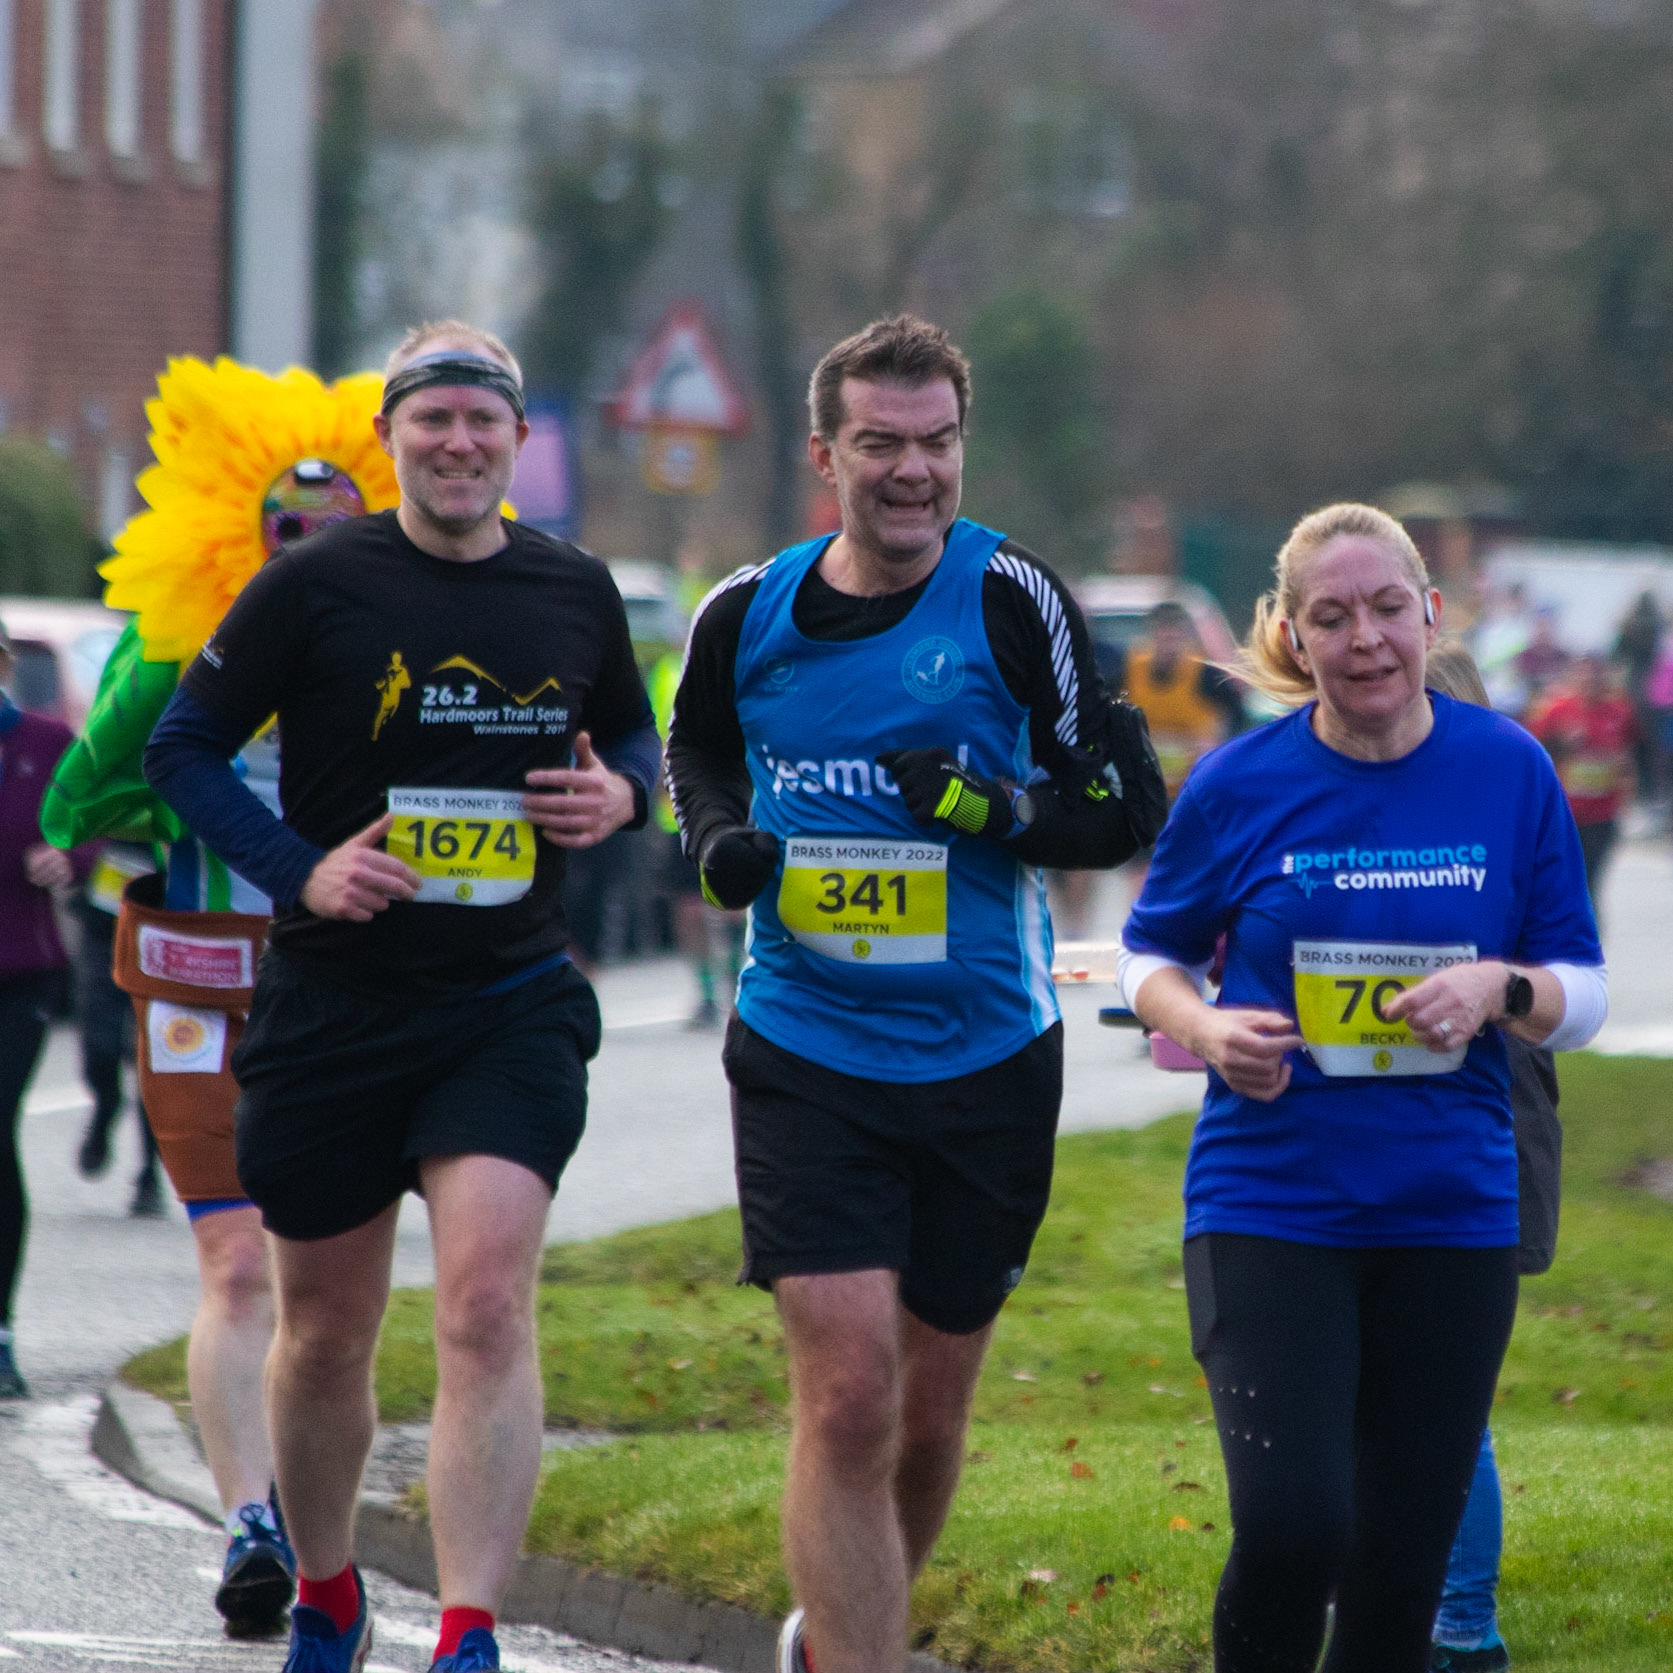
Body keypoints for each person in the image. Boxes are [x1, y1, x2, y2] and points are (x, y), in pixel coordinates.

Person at [142, 321, 660, 1673]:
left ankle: (469, 1632)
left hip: (508, 1000)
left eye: (483, 420)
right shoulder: (314, 585)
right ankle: (329, 1595)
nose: (458, 442)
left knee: (485, 1307)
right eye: (432, 419)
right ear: (391, 439)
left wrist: (623, 793)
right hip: (334, 1008)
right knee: (324, 1336)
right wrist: (300, 871)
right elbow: (183, 749)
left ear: (519, 441)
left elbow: (634, 728)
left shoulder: (573, 588)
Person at [665, 314, 1166, 1673]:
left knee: (928, 1420)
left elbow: (1118, 807)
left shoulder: (1012, 600)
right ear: (824, 454)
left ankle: (834, 1636)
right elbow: (695, 747)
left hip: (984, 1056)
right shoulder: (744, 613)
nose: (911, 470)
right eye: (879, 442)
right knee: (846, 1393)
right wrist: (719, 841)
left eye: (935, 442)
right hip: (804, 1044)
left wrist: (993, 808)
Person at [1118, 502, 1606, 1672]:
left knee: (1398, 1574)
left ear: (1428, 614)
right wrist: (1203, 1025)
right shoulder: (1237, 782)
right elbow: (1146, 955)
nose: (1365, 638)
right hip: (1270, 1200)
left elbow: (1581, 991)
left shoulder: (1506, 768)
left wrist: (1498, 986)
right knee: (1294, 1529)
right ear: (1294, 635)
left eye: (1387, 608)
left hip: (1449, 1210)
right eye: (1331, 617)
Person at [41, 354, 408, 1636]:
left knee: (329, 1291)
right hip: (201, 975)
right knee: (235, 1261)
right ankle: (251, 1522)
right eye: (284, 529)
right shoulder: (181, 656)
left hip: (345, 992)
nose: (306, 551)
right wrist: (148, 752)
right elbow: (80, 796)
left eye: (335, 529)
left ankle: (315, 1529)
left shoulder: (398, 651)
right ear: (235, 533)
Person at [1421, 642, 1565, 1673]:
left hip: (1482, 1142)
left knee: (1444, 1402)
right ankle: (1423, 1611)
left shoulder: (1495, 833)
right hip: (1427, 1149)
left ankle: (1464, 1627)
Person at [0, 620, 92, 1399]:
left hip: (18, 974)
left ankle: (0, 1329)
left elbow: (87, 822)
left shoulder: (46, 741)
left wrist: (68, 855)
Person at [70, 843, 166, 1216]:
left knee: (151, 1058)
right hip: (104, 926)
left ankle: (149, 1175)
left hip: (165, 927)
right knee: (100, 1045)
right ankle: (105, 1107)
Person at [1526, 655, 1636, 916]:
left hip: (1603, 814)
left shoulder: (1620, 711)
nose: (1590, 680)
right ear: (1574, 676)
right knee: (1566, 882)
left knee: (1591, 883)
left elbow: (1630, 756)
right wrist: (1562, 745)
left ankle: (1589, 936)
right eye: (1584, 673)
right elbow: (1531, 750)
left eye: (1596, 673)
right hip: (1565, 813)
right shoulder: (1556, 709)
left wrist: (1626, 795)